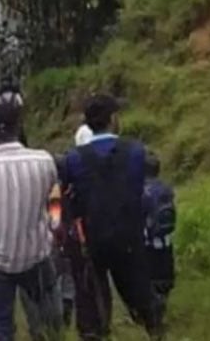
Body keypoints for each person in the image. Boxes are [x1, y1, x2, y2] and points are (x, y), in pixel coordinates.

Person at [61, 94, 162, 340]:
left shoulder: (74, 158)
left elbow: (68, 194)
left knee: (90, 298)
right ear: (114, 119)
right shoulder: (136, 151)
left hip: (91, 238)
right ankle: (154, 328)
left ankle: (94, 331)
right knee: (140, 293)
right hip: (129, 236)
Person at [0, 103, 62, 341]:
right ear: (19, 127)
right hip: (37, 254)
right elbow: (54, 200)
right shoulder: (45, 161)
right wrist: (54, 225)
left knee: (0, 324)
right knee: (47, 318)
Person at [142, 153, 176, 318]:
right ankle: (163, 303)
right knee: (165, 274)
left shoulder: (142, 191)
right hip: (166, 239)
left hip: (147, 242)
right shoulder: (166, 188)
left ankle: (154, 311)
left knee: (150, 277)